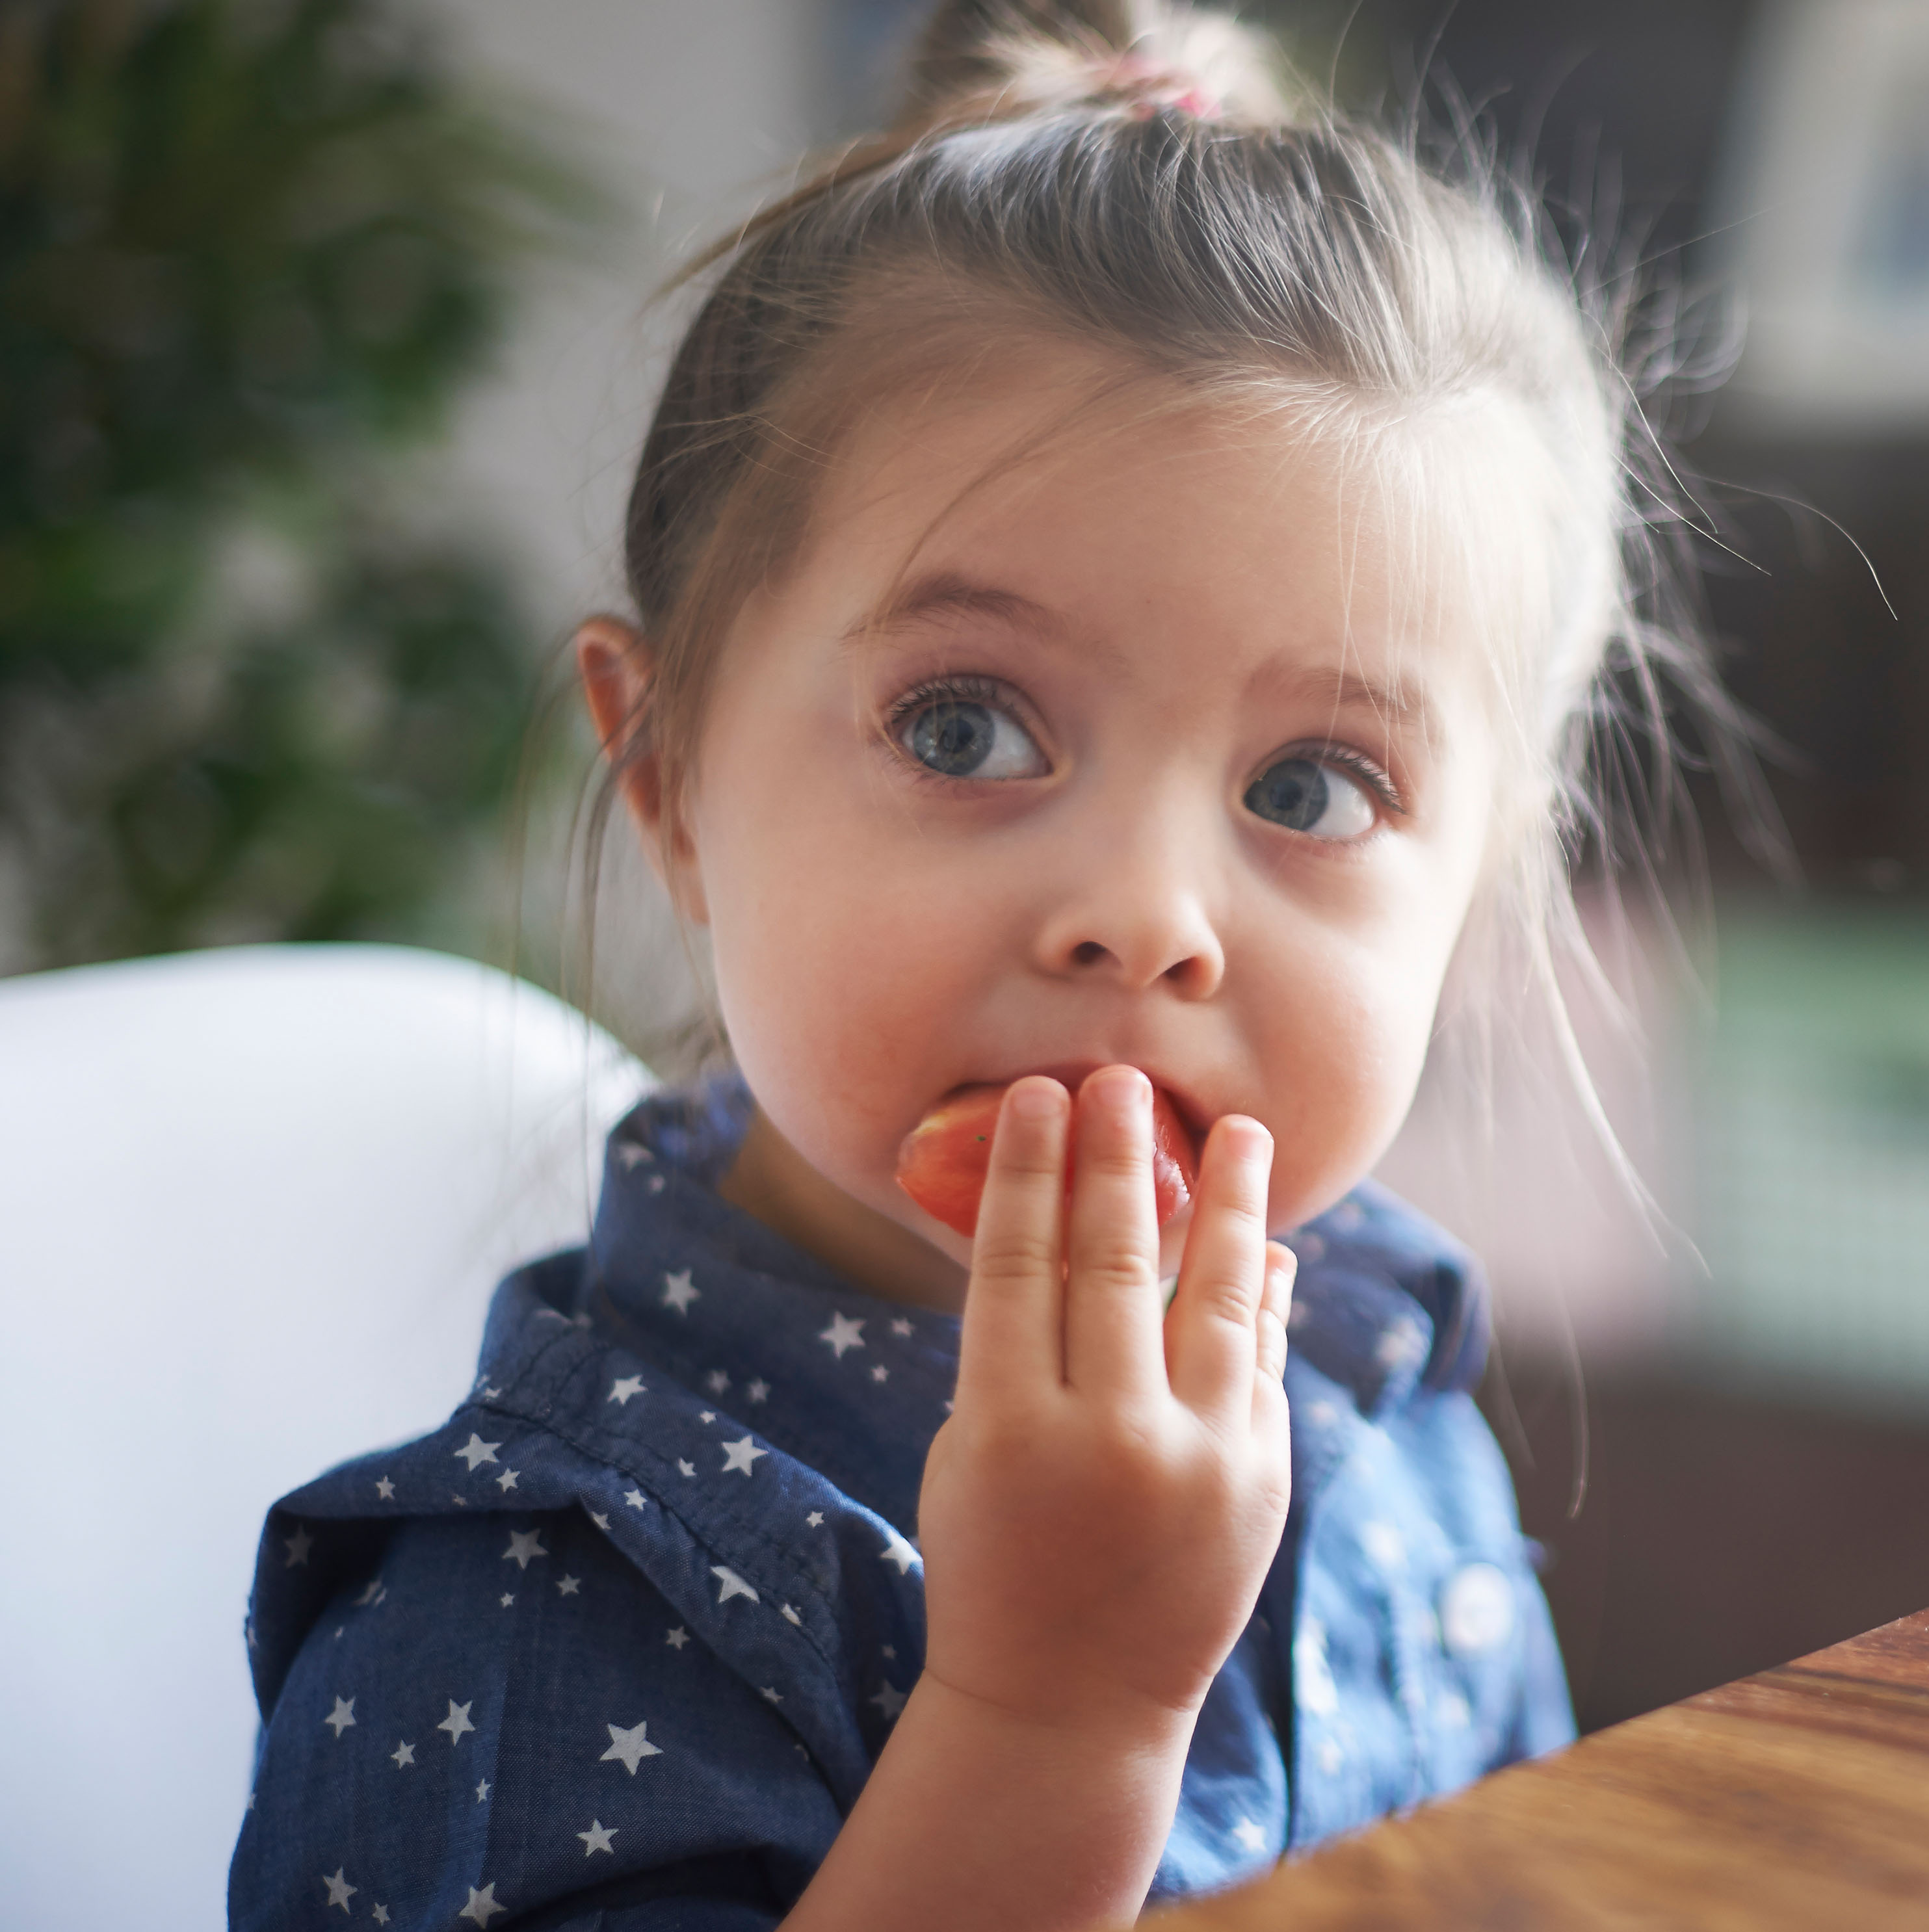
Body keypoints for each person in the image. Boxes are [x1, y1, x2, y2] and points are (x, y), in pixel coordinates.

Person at [229, 1, 1729, 1922]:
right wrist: (1053, 1715)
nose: (1147, 913)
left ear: (1488, 877)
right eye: (963, 729)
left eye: (1312, 782)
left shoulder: (1375, 1377)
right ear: (670, 777)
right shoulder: (526, 1618)